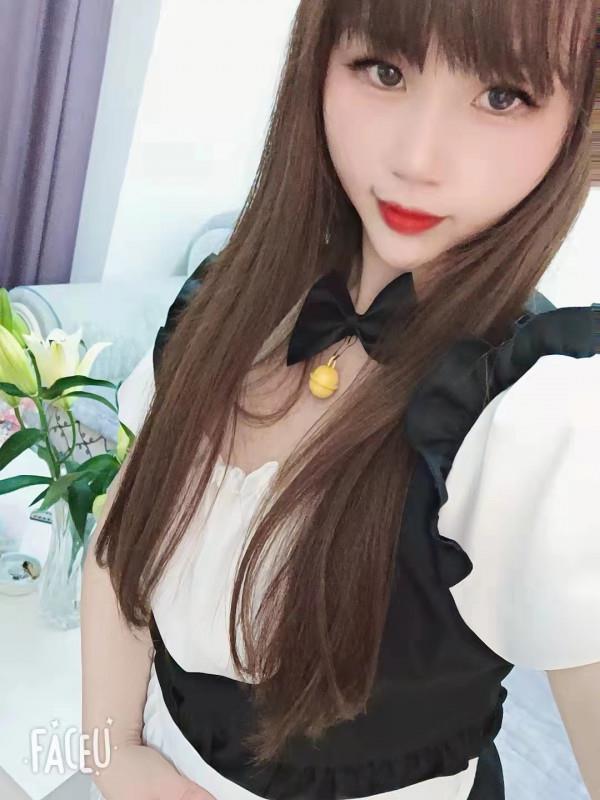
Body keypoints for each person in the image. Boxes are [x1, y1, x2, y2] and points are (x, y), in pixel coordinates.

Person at [81, 1, 600, 799]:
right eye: (383, 71)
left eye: (503, 96)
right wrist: (111, 755)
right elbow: (121, 544)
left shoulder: (537, 420)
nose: (417, 158)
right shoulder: (225, 302)